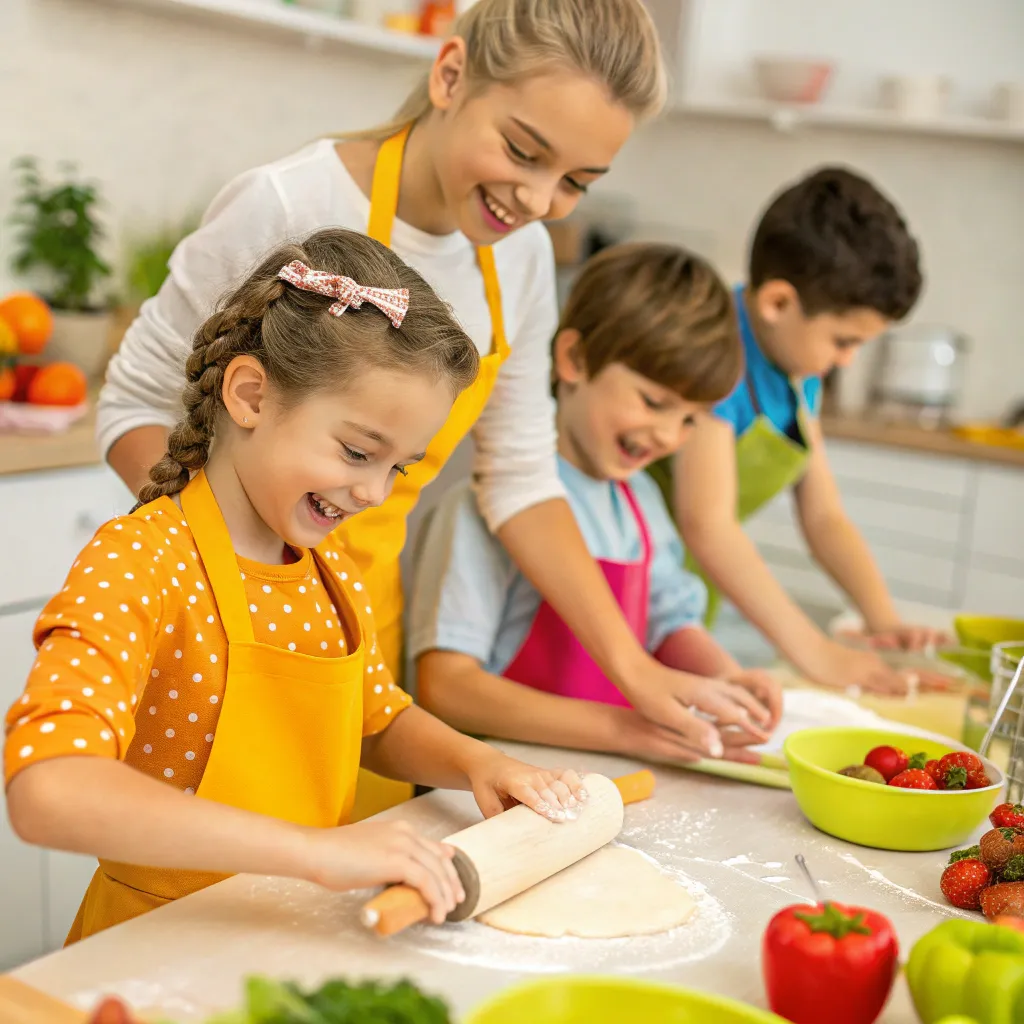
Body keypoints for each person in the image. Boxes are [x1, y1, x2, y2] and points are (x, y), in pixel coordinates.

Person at [95, 0, 734, 815]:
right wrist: (238, 568)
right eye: (522, 150)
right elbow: (134, 402)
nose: (537, 199)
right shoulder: (288, 203)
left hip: (364, 634)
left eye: (576, 181)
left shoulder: (524, 262)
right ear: (451, 74)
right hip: (225, 616)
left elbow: (522, 480)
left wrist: (632, 670)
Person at [4, 229, 584, 944]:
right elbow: (48, 788)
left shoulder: (327, 567)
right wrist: (317, 852)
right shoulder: (142, 561)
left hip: (300, 936)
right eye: (357, 452)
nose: (374, 491)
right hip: (154, 951)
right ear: (250, 394)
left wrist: (478, 762)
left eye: (397, 468)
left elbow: (376, 717)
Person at [408, 243, 783, 762]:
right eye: (654, 403)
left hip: (598, 776)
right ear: (574, 360)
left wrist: (724, 677)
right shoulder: (481, 508)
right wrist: (624, 731)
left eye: (691, 419)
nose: (669, 435)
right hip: (494, 784)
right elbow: (446, 687)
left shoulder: (642, 501)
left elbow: (668, 620)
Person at [651, 167, 946, 696]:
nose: (847, 360)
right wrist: (818, 654)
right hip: (638, 594)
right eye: (842, 340)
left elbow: (825, 516)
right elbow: (708, 525)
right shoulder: (712, 353)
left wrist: (882, 621)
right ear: (778, 303)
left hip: (688, 600)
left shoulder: (794, 368)